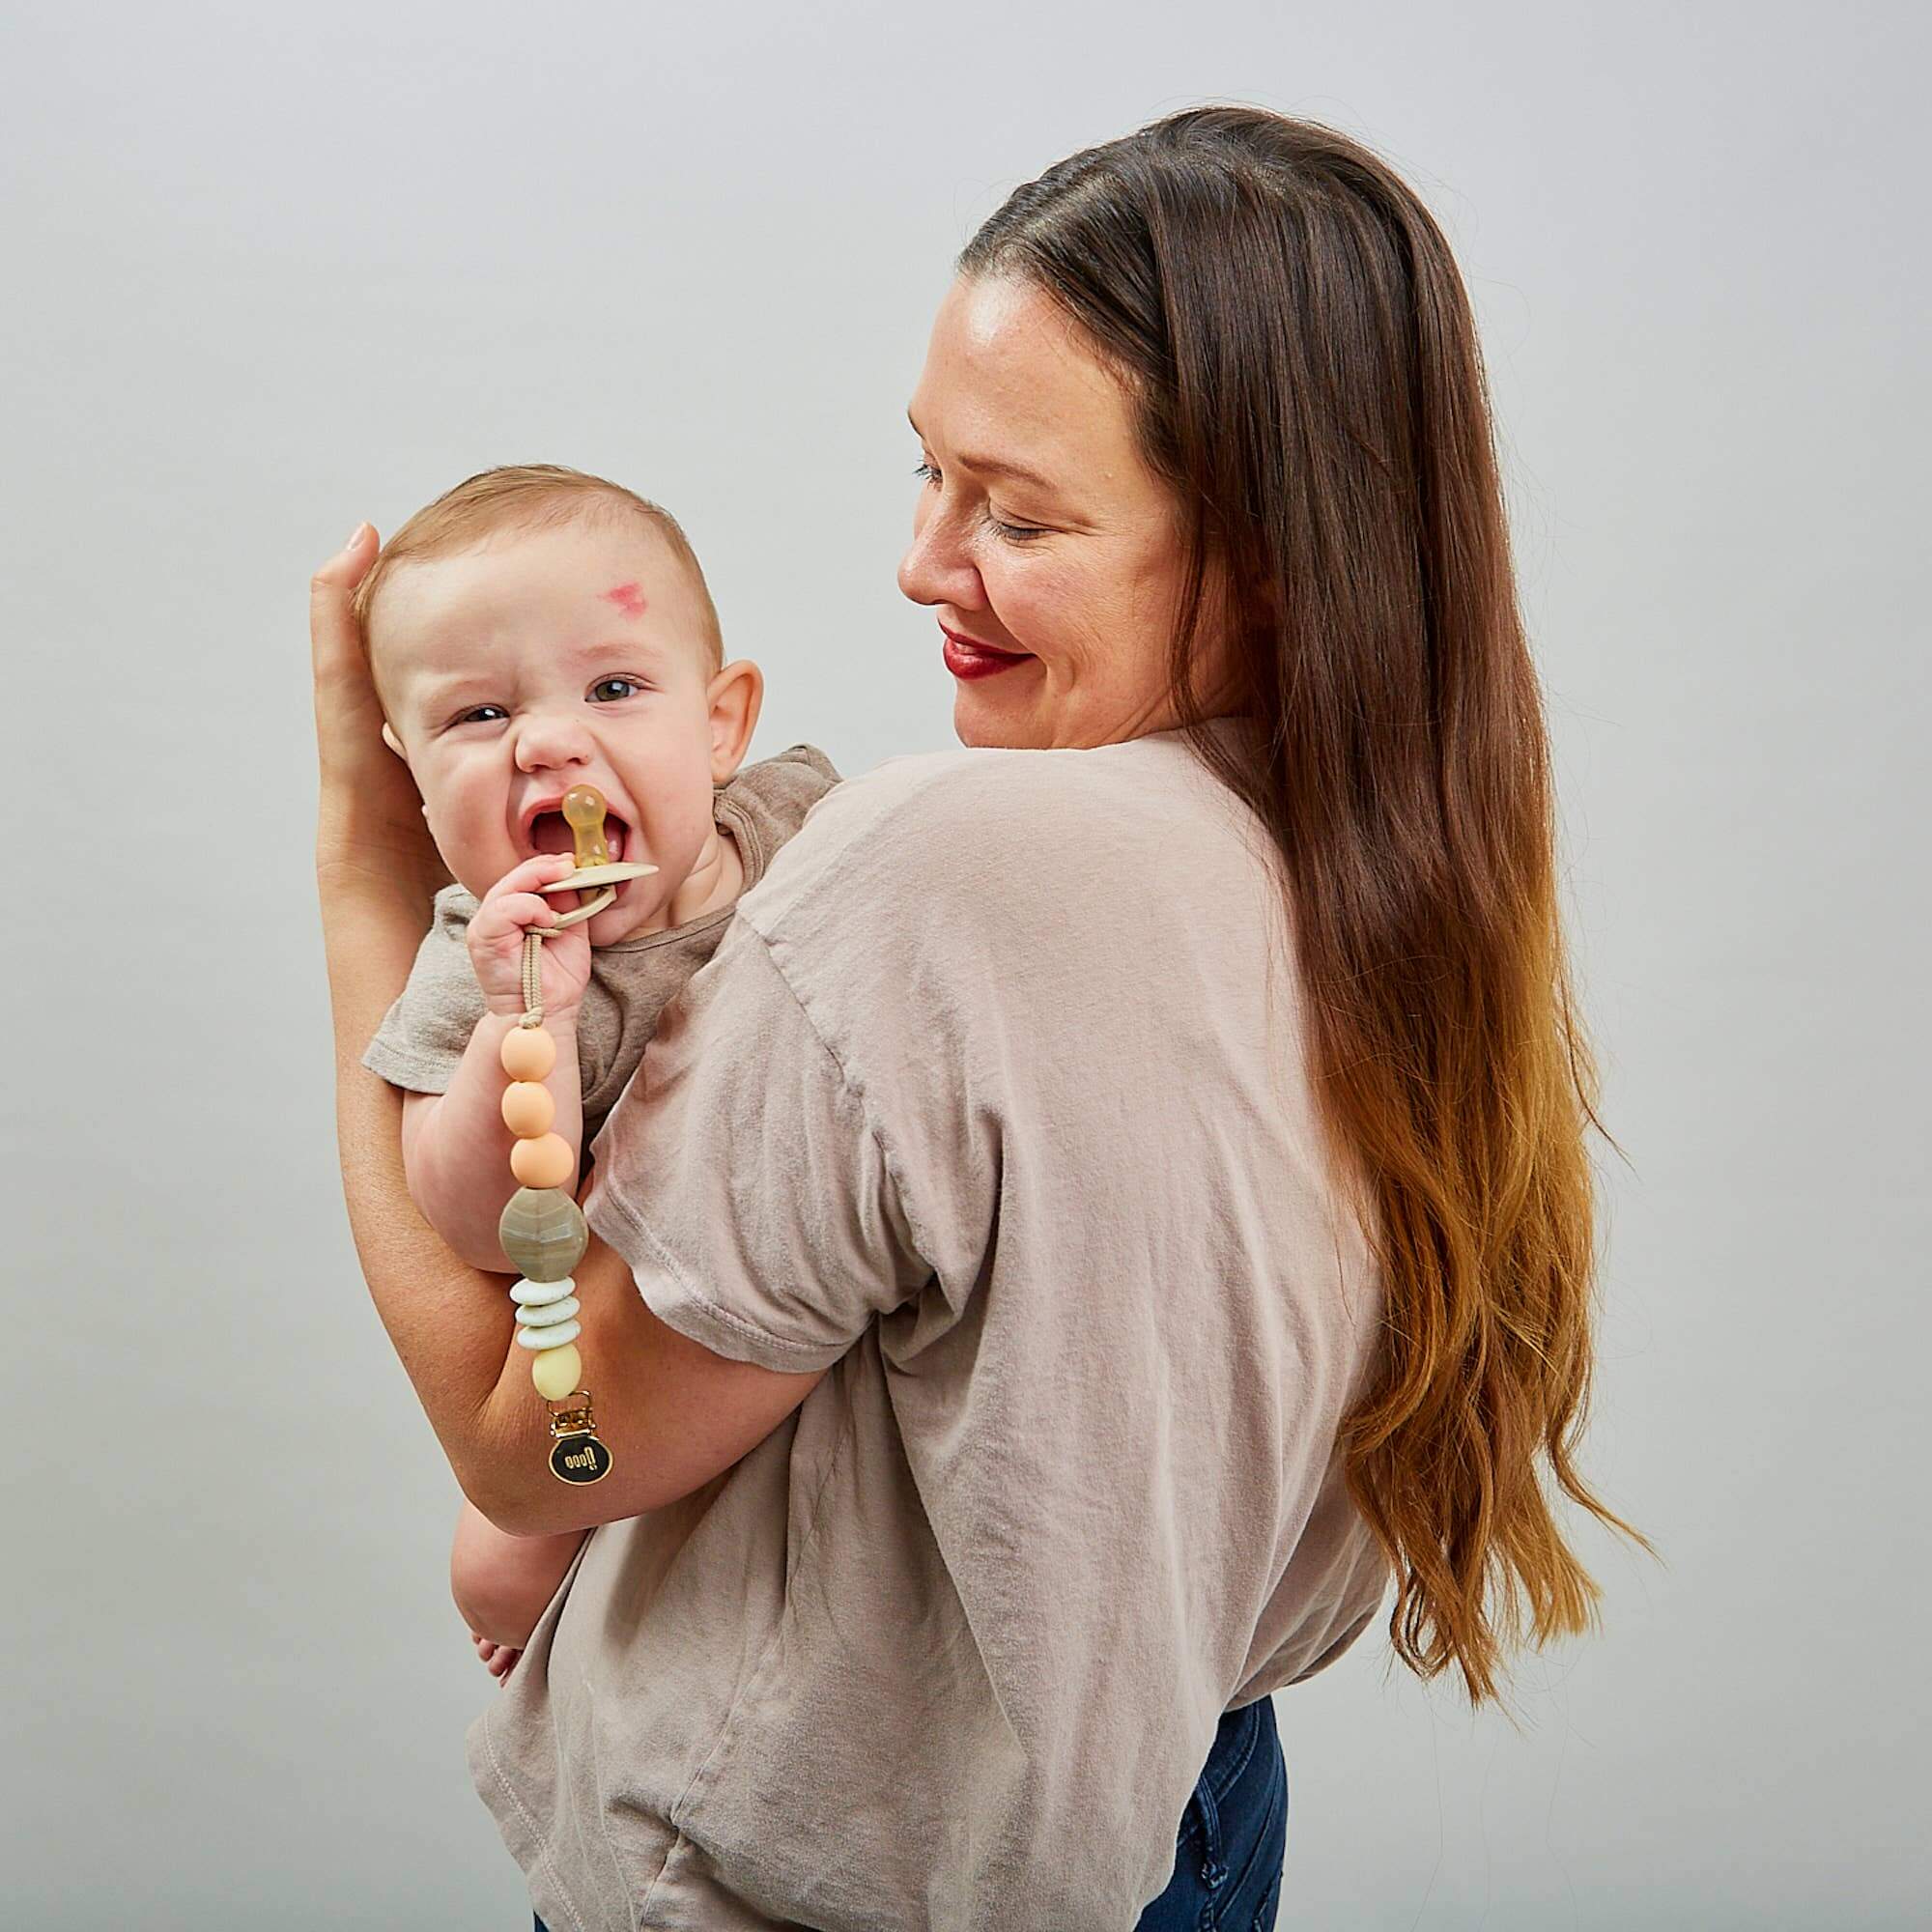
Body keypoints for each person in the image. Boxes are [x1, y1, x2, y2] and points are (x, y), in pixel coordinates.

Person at [310, 106, 1645, 1931]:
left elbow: (543, 1443)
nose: (927, 565)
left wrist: (363, 874)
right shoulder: (1381, 864)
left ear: (1264, 553)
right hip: (1193, 1806)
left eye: (1018, 512)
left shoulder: (940, 867)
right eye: (928, 476)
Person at [347, 463, 840, 1687]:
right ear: (408, 773)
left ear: (719, 723)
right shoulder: (480, 963)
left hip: (800, 1295)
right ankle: (559, 1644)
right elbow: (473, 1220)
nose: (551, 742)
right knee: (497, 1565)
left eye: (614, 687)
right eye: (477, 717)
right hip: (615, 1350)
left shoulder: (801, 824)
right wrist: (535, 1023)